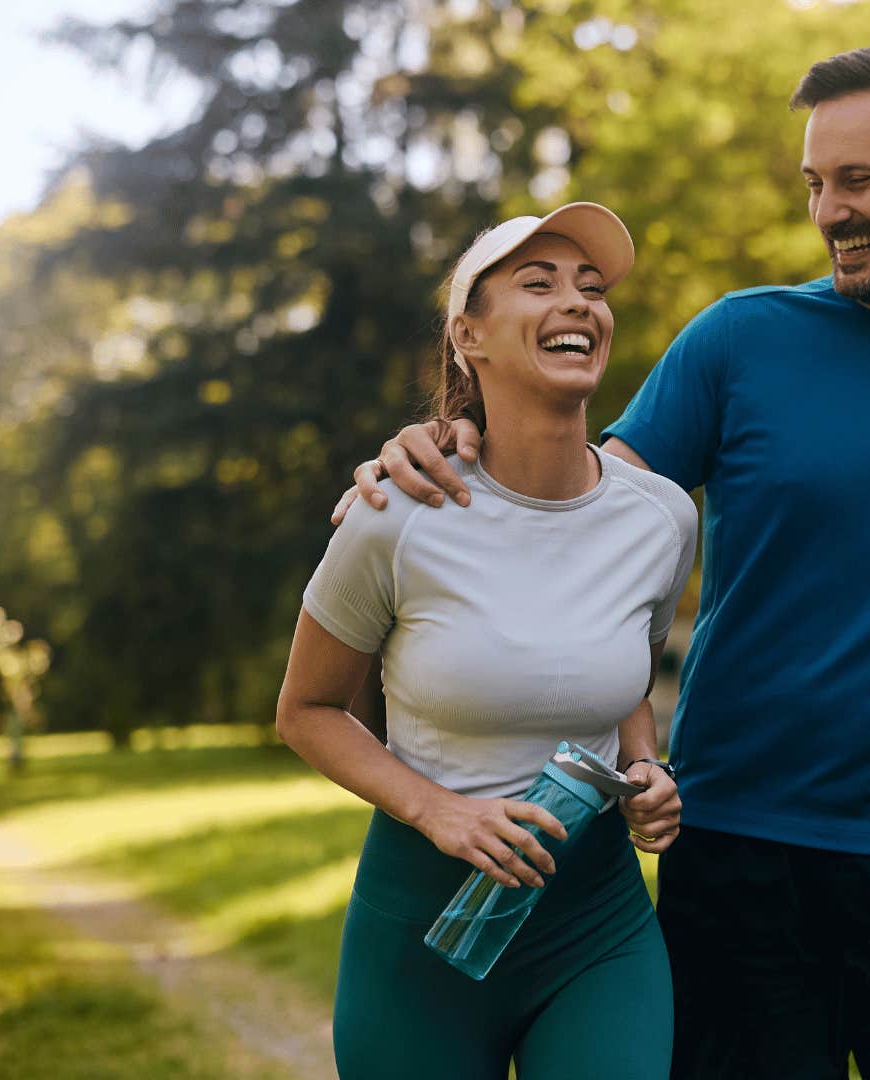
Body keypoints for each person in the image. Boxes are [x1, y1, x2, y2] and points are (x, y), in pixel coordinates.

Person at [335, 44, 870, 1078]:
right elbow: (567, 505)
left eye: (860, 180)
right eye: (816, 183)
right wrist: (449, 439)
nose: (830, 210)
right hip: (741, 862)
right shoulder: (739, 342)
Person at [279, 202, 696, 1079]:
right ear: (470, 335)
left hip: (595, 928)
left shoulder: (661, 520)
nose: (578, 302)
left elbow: (617, 671)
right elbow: (306, 711)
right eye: (538, 284)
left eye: (591, 287)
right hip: (420, 931)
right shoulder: (396, 516)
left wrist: (646, 767)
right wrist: (440, 810)